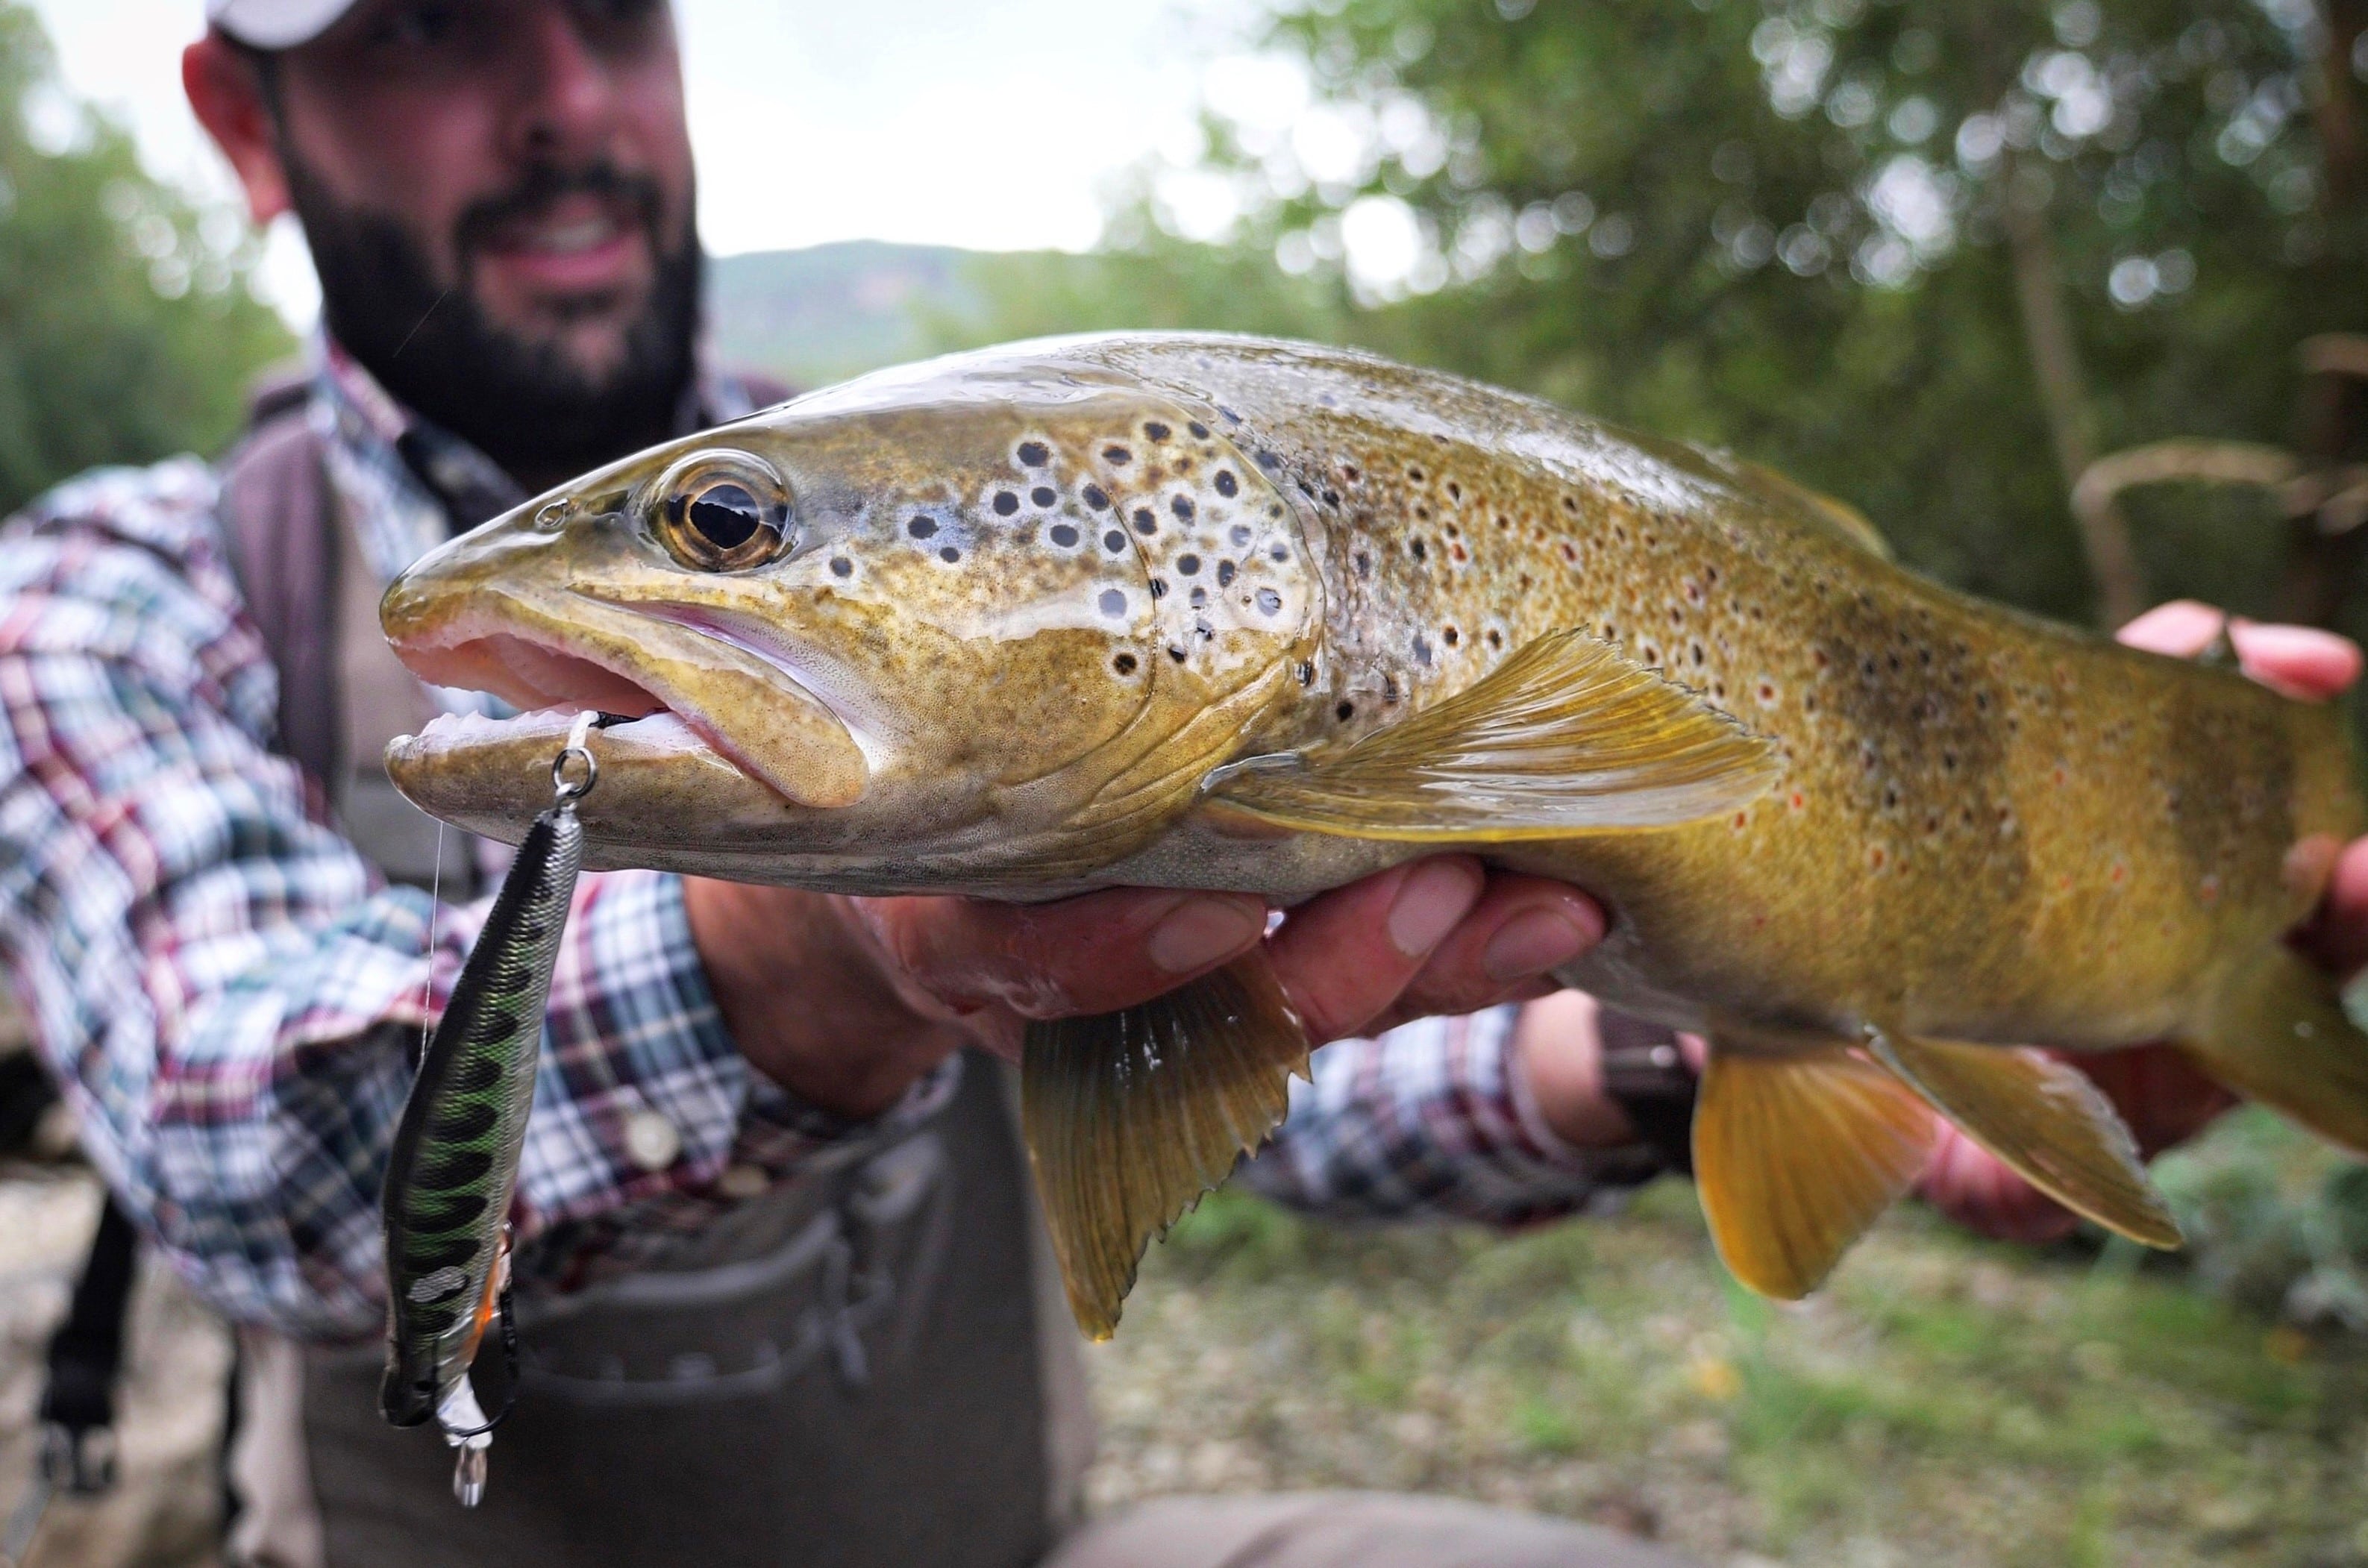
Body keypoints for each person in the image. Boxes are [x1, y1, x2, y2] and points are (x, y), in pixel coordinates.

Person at [0, 2, 2360, 1565]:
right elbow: (244, 1136)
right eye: (426, 27)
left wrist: (1694, 1043)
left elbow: (1301, 1064)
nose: (556, 101)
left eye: (606, 7)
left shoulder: (955, 471)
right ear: (240, 115)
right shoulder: (119, 591)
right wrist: (813, 957)